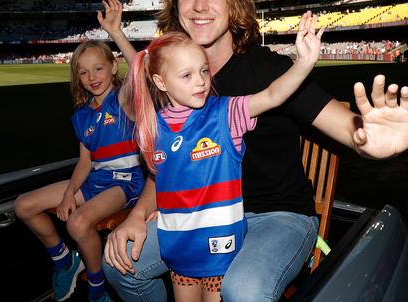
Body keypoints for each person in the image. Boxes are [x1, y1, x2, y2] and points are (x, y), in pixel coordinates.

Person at [102, 0, 408, 302]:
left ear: (234, 2)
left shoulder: (270, 71)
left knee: (245, 290)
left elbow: (347, 126)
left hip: (276, 217)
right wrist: (137, 216)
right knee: (120, 264)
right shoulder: (173, 81)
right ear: (176, 7)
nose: (199, 6)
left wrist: (370, 140)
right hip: (197, 215)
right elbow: (167, 164)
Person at [129, 25, 321, 302]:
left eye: (204, 71)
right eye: (187, 75)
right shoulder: (152, 128)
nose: (201, 81)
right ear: (160, 82)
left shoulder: (226, 113)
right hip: (179, 243)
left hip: (220, 244)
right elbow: (170, 176)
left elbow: (272, 95)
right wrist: (168, 208)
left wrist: (304, 63)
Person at [13, 40, 144, 302]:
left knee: (78, 222)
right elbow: (85, 162)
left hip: (126, 182)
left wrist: (116, 32)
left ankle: (97, 287)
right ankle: (65, 260)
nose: (92, 77)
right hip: (96, 178)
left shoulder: (123, 100)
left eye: (98, 69)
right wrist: (69, 194)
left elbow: (140, 70)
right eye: (83, 72)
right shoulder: (81, 116)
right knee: (23, 205)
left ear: (113, 68)